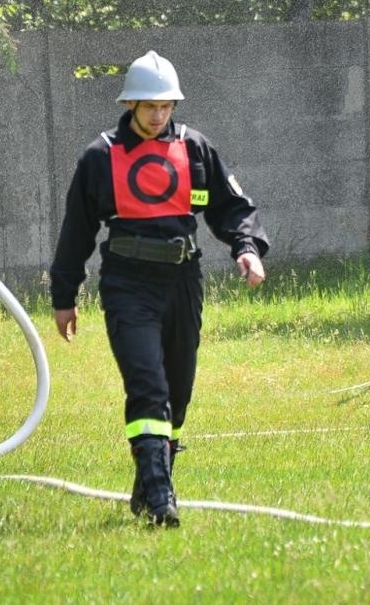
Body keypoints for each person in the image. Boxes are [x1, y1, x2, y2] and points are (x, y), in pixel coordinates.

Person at [49, 50, 269, 527]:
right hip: (127, 282)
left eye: (166, 106)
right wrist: (64, 297)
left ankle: (148, 481)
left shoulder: (194, 149)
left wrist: (245, 248)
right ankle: (161, 497)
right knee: (148, 386)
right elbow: (76, 231)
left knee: (178, 392)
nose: (158, 114)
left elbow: (232, 207)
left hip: (183, 279)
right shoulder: (100, 156)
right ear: (130, 104)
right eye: (149, 105)